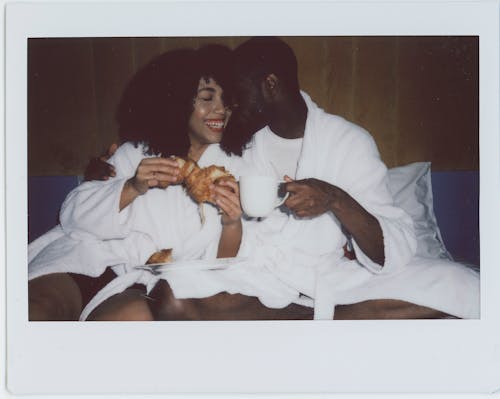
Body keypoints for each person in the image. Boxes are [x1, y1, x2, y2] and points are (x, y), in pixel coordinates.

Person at [146, 37, 479, 320]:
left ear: (270, 85)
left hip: (329, 277)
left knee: (461, 286)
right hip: (259, 278)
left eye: (237, 94)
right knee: (170, 295)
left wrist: (335, 199)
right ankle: (318, 318)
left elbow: (390, 250)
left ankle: (312, 315)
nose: (229, 105)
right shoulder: (240, 146)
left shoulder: (348, 141)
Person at [28, 45, 245, 321]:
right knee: (38, 308)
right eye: (206, 98)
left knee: (134, 321)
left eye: (227, 101)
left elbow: (220, 268)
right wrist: (132, 187)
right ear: (178, 101)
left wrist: (231, 223)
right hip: (84, 257)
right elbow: (72, 214)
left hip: (137, 280)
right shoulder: (137, 152)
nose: (221, 109)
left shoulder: (232, 171)